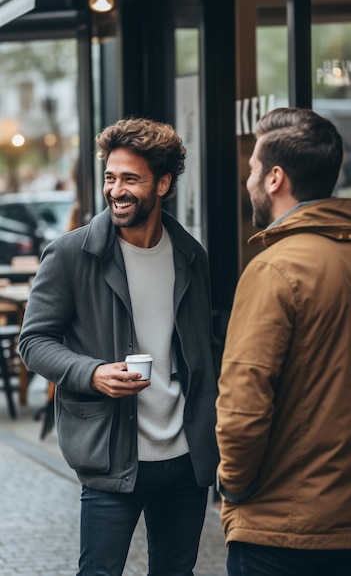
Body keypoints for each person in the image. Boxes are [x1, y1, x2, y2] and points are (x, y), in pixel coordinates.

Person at [19, 116, 219, 576]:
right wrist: (91, 373)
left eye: (131, 178)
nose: (116, 190)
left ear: (163, 183)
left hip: (186, 458)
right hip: (112, 458)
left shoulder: (191, 255)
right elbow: (34, 341)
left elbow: (203, 350)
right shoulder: (71, 255)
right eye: (110, 177)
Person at [215, 107, 351, 576]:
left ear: (275, 179)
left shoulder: (275, 269)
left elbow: (244, 402)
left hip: (283, 530)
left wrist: (232, 487)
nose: (247, 179)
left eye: (252, 169)